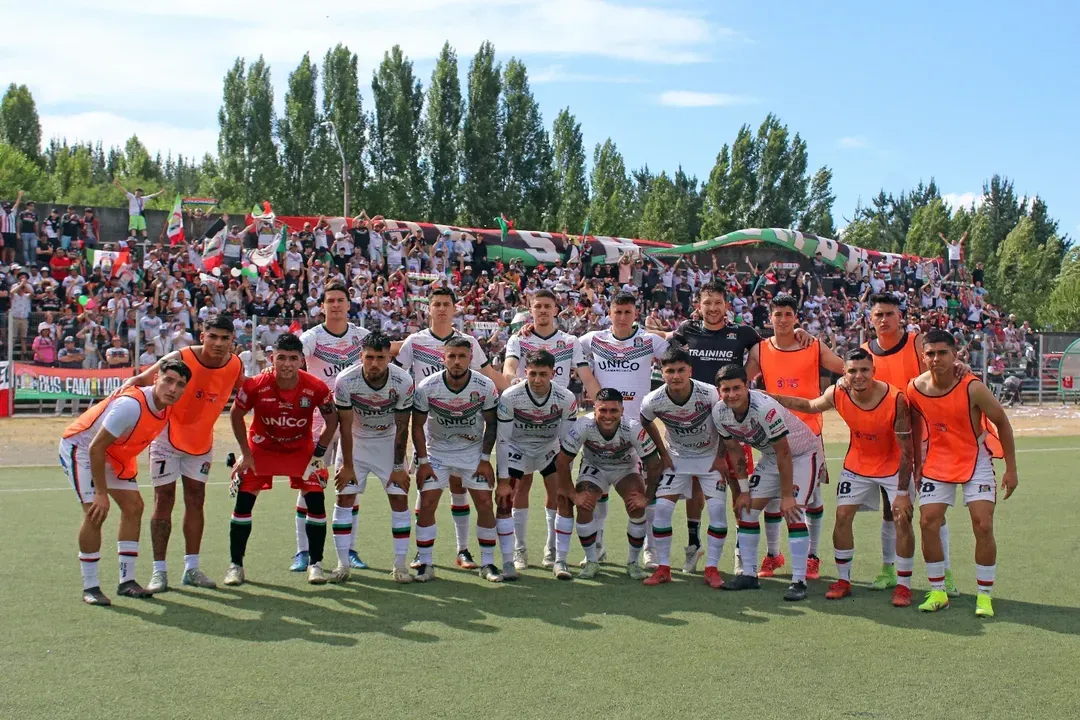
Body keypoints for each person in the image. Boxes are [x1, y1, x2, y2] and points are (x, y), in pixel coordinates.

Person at [769, 348, 917, 606]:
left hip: (893, 466)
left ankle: (904, 586)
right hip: (858, 464)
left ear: (874, 371)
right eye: (852, 371)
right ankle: (844, 580)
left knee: (902, 520)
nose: (858, 376)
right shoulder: (838, 392)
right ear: (844, 373)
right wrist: (772, 398)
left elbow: (907, 450)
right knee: (842, 517)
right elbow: (810, 406)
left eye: (864, 370)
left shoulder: (896, 399)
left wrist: (903, 493)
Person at [122, 315, 244, 593]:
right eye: (213, 336)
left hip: (201, 443)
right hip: (167, 438)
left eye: (225, 338)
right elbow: (144, 378)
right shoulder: (181, 356)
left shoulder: (235, 364)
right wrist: (115, 401)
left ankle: (191, 568)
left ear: (232, 341)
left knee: (196, 501)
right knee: (163, 500)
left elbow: (247, 390)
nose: (219, 343)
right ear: (202, 336)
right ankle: (159, 571)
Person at [59, 359, 192, 605]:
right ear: (156, 379)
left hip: (114, 453)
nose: (173, 388)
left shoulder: (169, 406)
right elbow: (96, 448)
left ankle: (126, 581)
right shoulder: (130, 405)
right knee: (95, 512)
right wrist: (101, 492)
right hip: (82, 448)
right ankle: (91, 587)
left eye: (180, 384)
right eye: (168, 380)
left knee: (134, 507)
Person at [395, 287, 508, 570]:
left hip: (467, 432)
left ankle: (464, 552)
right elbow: (397, 373)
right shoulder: (415, 340)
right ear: (429, 309)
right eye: (437, 304)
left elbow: (487, 375)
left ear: (454, 308)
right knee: (428, 495)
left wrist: (515, 386)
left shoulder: (468, 341)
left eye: (447, 304)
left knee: (464, 493)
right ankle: (424, 556)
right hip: (434, 427)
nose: (442, 309)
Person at [906, 330, 1017, 617]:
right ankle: (938, 591)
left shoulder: (972, 387)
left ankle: (984, 596)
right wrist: (917, 463)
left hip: (974, 457)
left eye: (943, 353)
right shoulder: (915, 388)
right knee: (928, 521)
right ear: (923, 356)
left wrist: (1012, 470)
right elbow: (917, 427)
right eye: (930, 353)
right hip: (938, 459)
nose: (936, 359)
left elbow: (1002, 423)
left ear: (955, 355)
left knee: (982, 524)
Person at [225, 333, 342, 586]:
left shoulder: (316, 386)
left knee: (316, 501)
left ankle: (316, 564)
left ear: (302, 360)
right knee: (244, 503)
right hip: (261, 449)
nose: (287, 364)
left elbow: (332, 420)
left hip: (300, 450)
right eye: (281, 358)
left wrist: (319, 454)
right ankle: (236, 566)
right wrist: (245, 455)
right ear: (271, 359)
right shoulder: (255, 385)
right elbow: (235, 416)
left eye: (292, 358)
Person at [862, 293, 958, 596]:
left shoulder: (917, 343)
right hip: (887, 442)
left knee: (932, 511)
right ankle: (889, 570)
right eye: (878, 315)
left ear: (900, 316)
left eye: (889, 314)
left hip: (924, 437)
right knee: (891, 509)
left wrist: (961, 366)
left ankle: (945, 574)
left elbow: (939, 367)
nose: (884, 319)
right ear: (870, 319)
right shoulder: (866, 351)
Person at [745, 294, 845, 580]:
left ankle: (812, 556)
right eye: (778, 314)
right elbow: (741, 380)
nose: (783, 320)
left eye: (788, 314)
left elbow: (843, 367)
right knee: (773, 496)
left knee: (811, 497)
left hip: (810, 432)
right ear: (770, 318)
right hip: (775, 433)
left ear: (796, 317)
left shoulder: (812, 345)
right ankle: (774, 554)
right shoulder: (761, 350)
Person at [501, 289, 599, 569]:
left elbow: (586, 376)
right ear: (530, 310)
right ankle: (520, 550)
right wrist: (511, 385)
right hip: (522, 422)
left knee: (555, 488)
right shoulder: (519, 339)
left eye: (548, 306)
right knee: (520, 485)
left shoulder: (570, 342)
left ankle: (551, 548)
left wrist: (604, 403)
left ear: (557, 310)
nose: (543, 311)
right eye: (538, 306)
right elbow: (509, 370)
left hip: (556, 423)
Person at [712, 364, 822, 601]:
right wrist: (743, 491)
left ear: (747, 386)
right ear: (719, 391)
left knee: (793, 512)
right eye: (726, 389)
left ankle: (799, 581)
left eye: (737, 388)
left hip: (802, 454)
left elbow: (785, 452)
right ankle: (749, 575)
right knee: (747, 510)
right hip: (772, 456)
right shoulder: (719, 412)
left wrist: (787, 495)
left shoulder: (764, 408)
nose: (732, 394)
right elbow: (735, 452)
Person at [579, 291, 669, 567]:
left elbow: (679, 352)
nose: (621, 317)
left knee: (645, 491)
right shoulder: (593, 339)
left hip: (638, 428)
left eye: (627, 312)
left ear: (635, 314)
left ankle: (650, 549)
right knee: (599, 489)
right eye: (617, 311)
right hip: (603, 423)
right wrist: (528, 327)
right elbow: (564, 346)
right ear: (609, 312)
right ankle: (598, 545)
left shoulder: (649, 340)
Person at [292, 280, 371, 573]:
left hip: (354, 423)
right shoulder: (312, 336)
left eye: (340, 300)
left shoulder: (362, 337)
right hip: (318, 423)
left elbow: (392, 350)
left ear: (348, 304)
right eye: (331, 301)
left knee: (350, 487)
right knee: (308, 485)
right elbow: (297, 353)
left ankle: (348, 550)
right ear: (322, 306)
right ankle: (302, 552)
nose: (335, 305)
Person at [411, 337, 499, 582]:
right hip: (437, 453)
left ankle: (489, 563)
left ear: (471, 358)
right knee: (428, 503)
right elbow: (416, 426)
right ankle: (426, 563)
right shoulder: (427, 387)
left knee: (484, 502)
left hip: (471, 453)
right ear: (444, 358)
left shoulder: (485, 385)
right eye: (452, 356)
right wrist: (424, 461)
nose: (457, 361)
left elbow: (491, 425)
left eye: (462, 356)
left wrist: (484, 459)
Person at [639, 348, 729, 588]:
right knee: (662, 511)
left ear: (690, 370)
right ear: (662, 372)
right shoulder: (653, 400)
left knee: (718, 512)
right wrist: (662, 452)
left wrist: (721, 457)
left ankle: (712, 568)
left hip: (710, 458)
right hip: (677, 458)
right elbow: (645, 421)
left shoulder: (709, 393)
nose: (675, 376)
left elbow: (725, 423)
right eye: (670, 371)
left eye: (681, 370)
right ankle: (664, 568)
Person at [331, 332, 416, 583]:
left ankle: (400, 566)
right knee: (344, 499)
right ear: (361, 357)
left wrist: (399, 466)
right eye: (370, 357)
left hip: (388, 441)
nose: (375, 363)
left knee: (399, 500)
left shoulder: (403, 381)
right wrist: (347, 465)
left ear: (390, 357)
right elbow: (344, 427)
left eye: (381, 357)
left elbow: (403, 426)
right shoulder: (345, 380)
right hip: (356, 441)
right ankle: (342, 564)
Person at [558, 388, 662, 581]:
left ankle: (633, 563)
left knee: (635, 504)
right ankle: (591, 561)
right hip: (594, 466)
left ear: (622, 411)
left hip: (625, 468)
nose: (608, 416)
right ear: (594, 409)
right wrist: (573, 495)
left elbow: (654, 464)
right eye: (603, 410)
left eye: (613, 411)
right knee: (584, 504)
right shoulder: (583, 425)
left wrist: (647, 497)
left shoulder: (633, 427)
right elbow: (562, 462)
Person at [496, 349, 578, 579]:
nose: (537, 380)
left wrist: (566, 480)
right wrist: (502, 480)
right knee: (509, 495)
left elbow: (566, 444)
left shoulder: (565, 397)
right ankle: (517, 551)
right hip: (517, 447)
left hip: (548, 448)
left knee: (559, 495)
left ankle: (554, 553)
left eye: (543, 374)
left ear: (554, 373)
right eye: (532, 374)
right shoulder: (511, 396)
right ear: (525, 372)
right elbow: (502, 439)